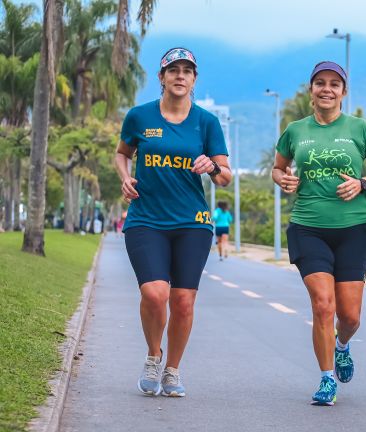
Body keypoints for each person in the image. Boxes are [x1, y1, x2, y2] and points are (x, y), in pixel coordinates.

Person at [114, 47, 231, 397]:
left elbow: (224, 175)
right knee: (154, 293)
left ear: (194, 80)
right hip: (146, 218)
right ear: (162, 77)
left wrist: (211, 166)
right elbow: (123, 153)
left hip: (192, 222)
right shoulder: (139, 117)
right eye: (173, 70)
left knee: (182, 301)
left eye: (187, 71)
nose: (180, 76)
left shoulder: (206, 122)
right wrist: (125, 176)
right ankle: (153, 355)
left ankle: (172, 370)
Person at [272, 61, 366, 406]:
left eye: (334, 84)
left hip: (353, 228)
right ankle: (326, 379)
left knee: (350, 316)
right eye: (320, 83)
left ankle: (342, 345)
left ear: (343, 92)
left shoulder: (359, 128)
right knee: (323, 305)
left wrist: (362, 182)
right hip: (308, 226)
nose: (327, 89)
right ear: (311, 90)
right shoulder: (295, 130)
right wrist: (284, 179)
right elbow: (278, 169)